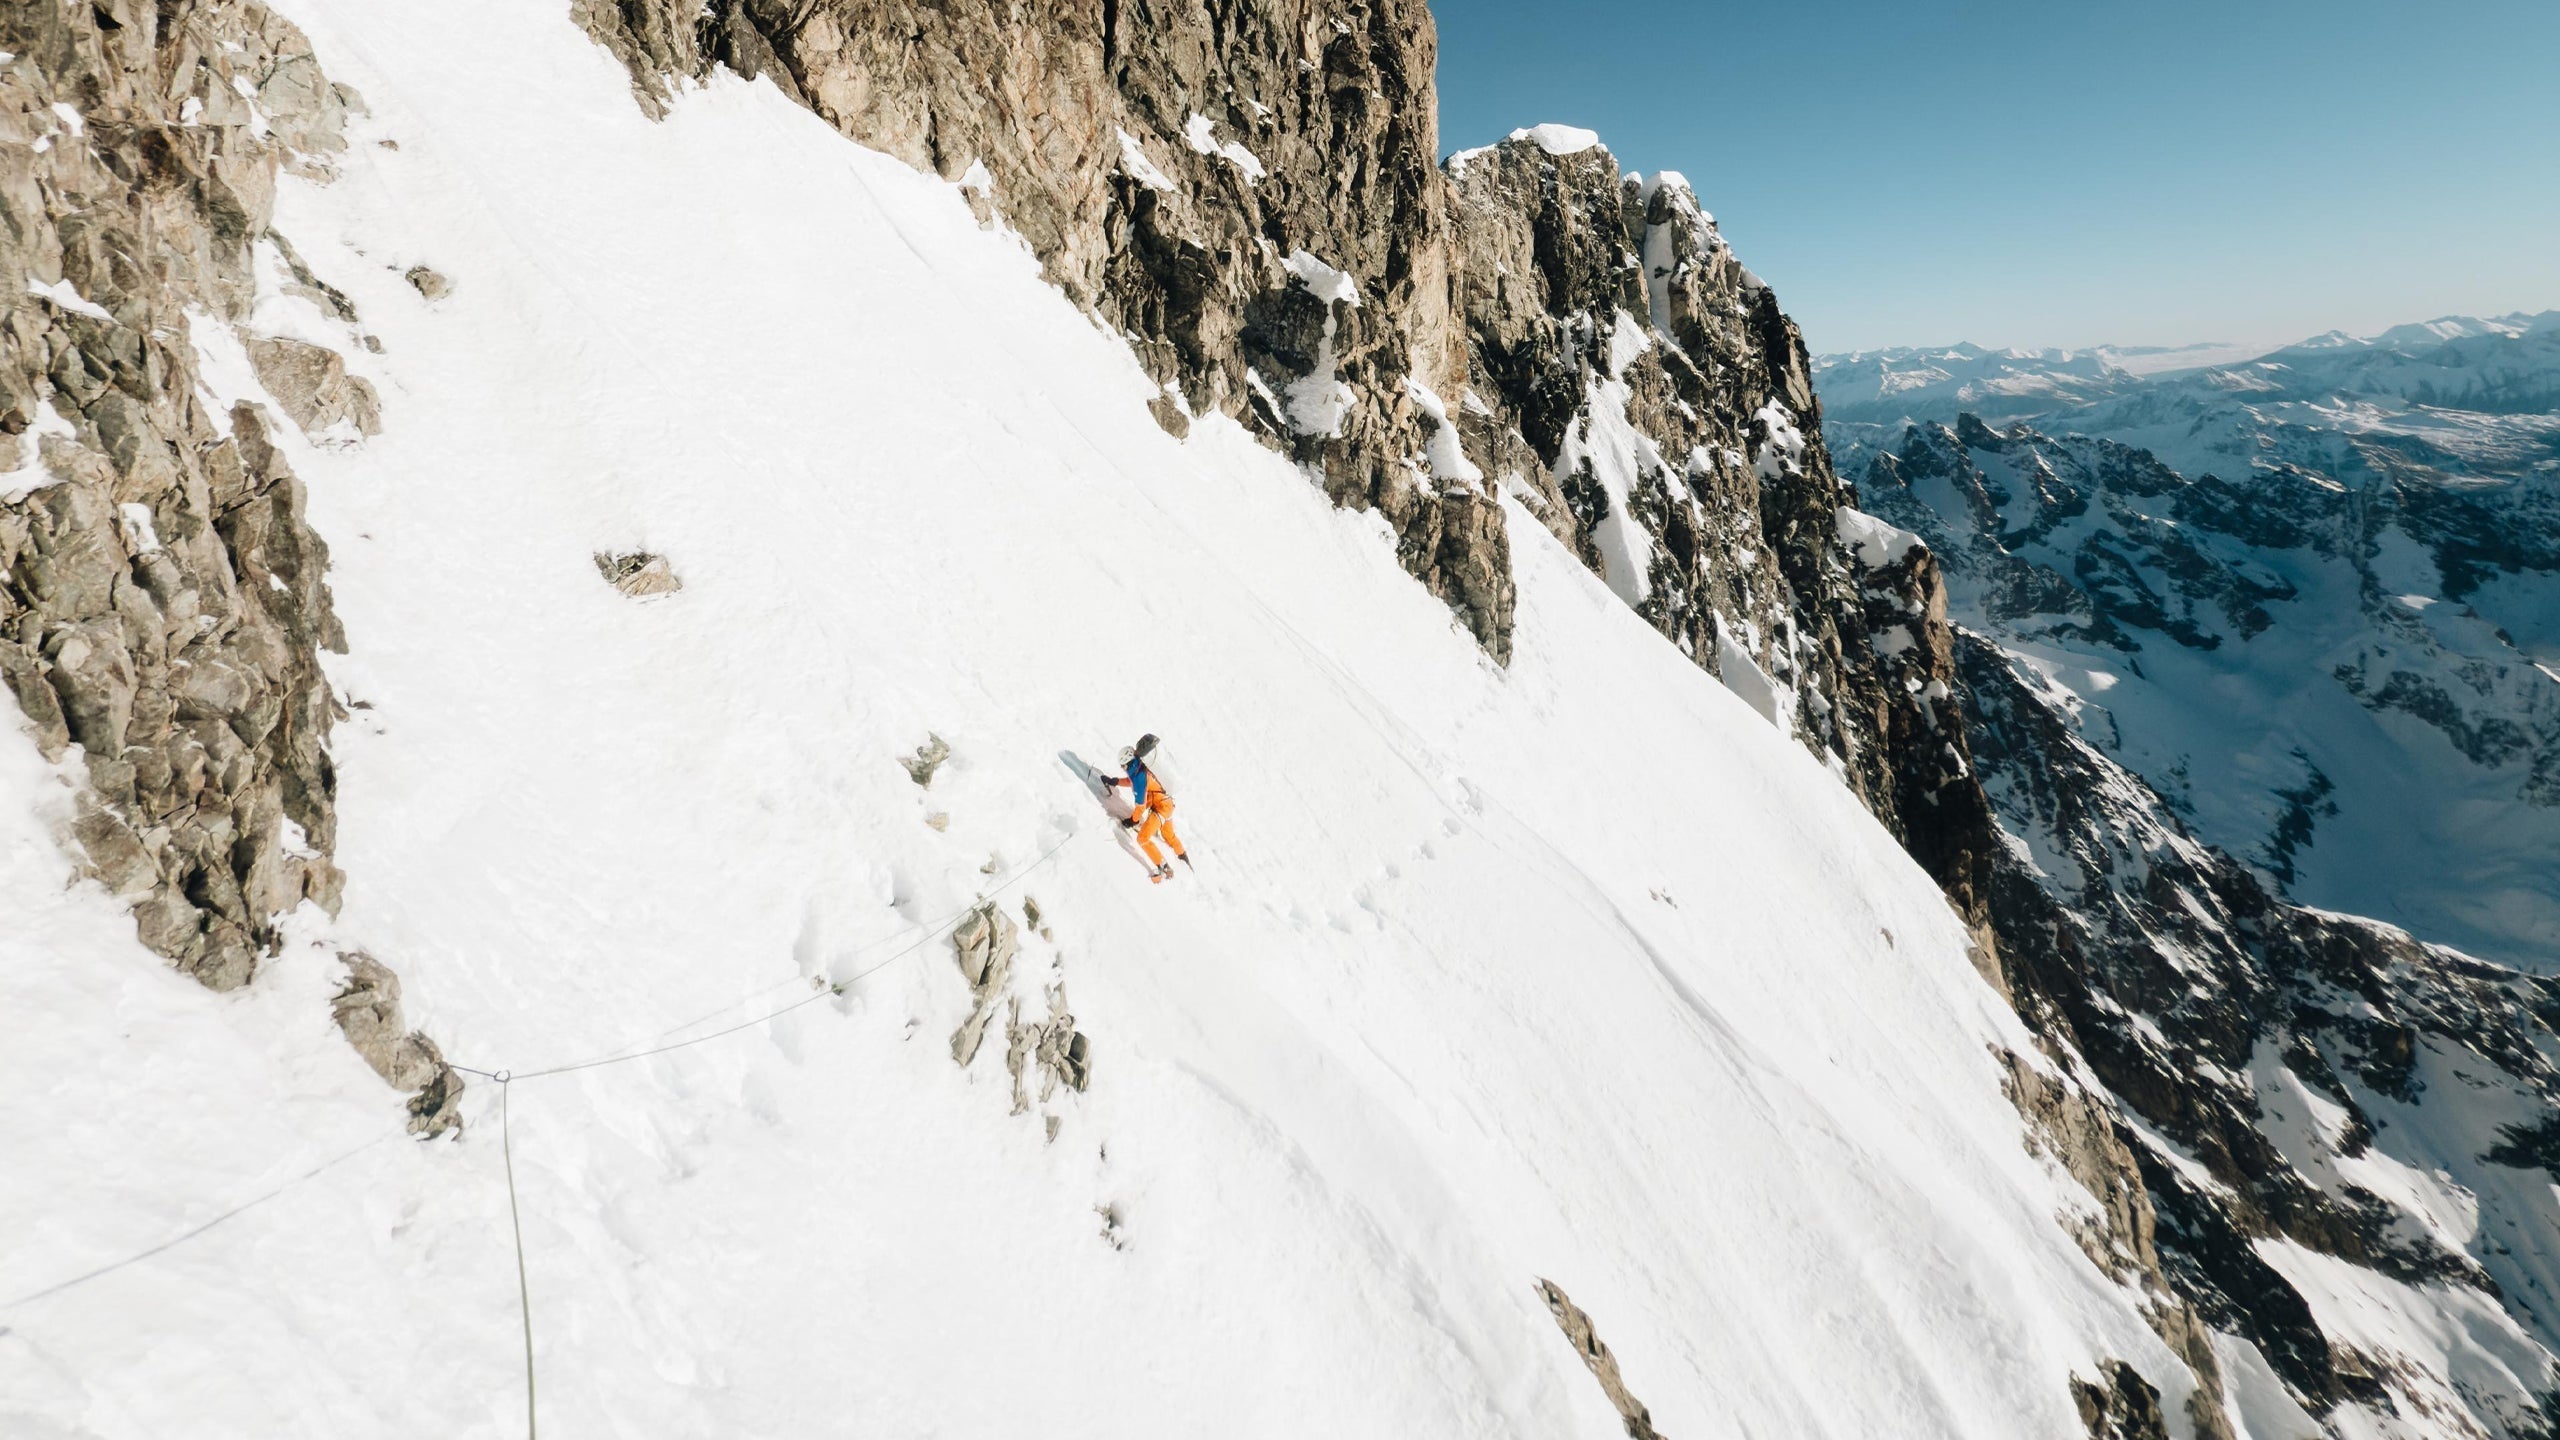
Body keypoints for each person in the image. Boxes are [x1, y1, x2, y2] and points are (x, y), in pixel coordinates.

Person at [1104, 733, 1189, 882]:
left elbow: (1140, 806)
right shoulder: (1140, 768)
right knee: (1169, 835)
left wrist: (1133, 820)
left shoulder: (1138, 776)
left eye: (1123, 766)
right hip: (1167, 804)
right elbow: (1133, 782)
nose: (1123, 768)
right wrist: (1115, 781)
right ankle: (1184, 858)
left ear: (1127, 763)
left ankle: (1164, 867)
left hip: (1160, 809)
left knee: (1142, 838)